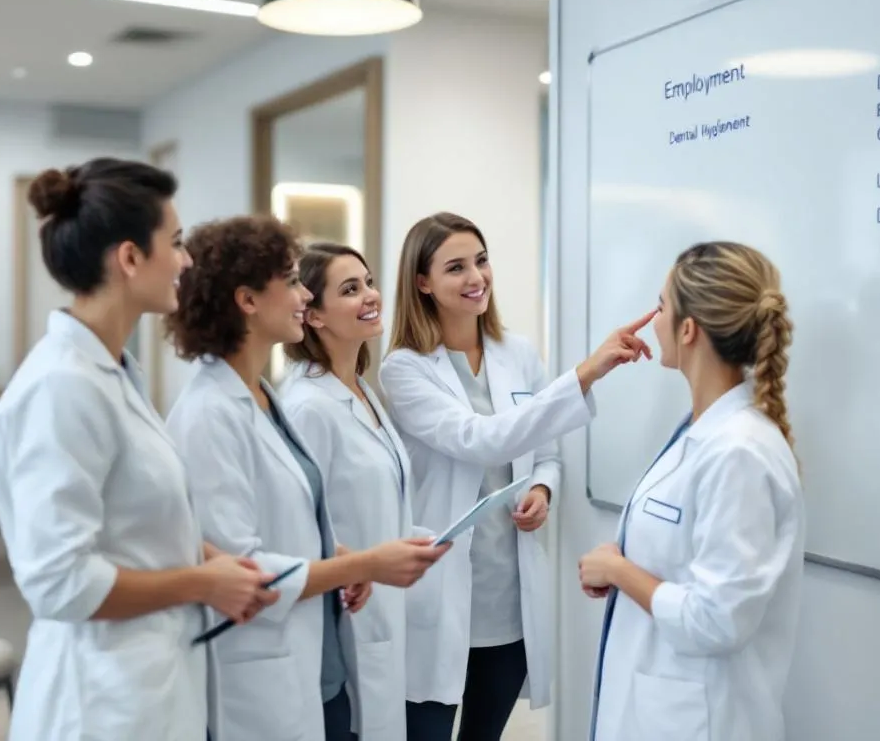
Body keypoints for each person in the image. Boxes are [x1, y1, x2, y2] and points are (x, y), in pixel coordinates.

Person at [0, 159, 278, 741]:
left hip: (148, 684)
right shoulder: (62, 386)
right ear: (128, 258)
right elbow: (61, 582)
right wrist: (203, 582)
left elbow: (136, 518)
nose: (186, 260)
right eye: (174, 242)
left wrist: (214, 559)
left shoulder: (115, 371)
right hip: (96, 702)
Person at [164, 215, 452, 741]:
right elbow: (238, 567)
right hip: (256, 671)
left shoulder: (261, 396)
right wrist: (365, 562)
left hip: (313, 654)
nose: (303, 296)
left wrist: (341, 557)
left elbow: (293, 517)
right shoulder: (209, 413)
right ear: (248, 300)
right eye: (292, 281)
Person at [379, 211, 654, 741]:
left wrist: (543, 487)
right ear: (423, 282)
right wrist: (586, 371)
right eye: (455, 267)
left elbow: (544, 449)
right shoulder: (405, 369)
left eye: (480, 261)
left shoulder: (518, 353)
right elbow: (483, 439)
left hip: (507, 597)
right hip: (439, 597)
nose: (476, 277)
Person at [579, 240, 805, 741]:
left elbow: (718, 620)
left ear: (687, 329)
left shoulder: (739, 452)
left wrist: (619, 569)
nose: (651, 320)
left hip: (703, 720)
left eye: (660, 305)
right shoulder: (702, 432)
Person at [278, 242, 428, 740]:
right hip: (346, 619)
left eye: (367, 282)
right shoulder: (307, 407)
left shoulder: (361, 390)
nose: (370, 296)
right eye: (350, 289)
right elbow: (301, 527)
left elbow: (375, 501)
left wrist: (419, 539)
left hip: (383, 610)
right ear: (313, 314)